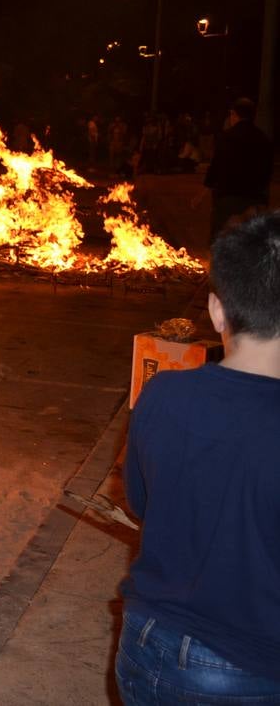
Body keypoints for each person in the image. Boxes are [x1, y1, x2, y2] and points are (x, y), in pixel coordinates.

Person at [116, 211, 280, 703]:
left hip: (143, 645)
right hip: (247, 666)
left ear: (216, 309)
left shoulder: (162, 394)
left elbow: (142, 503)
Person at [204, 97, 273, 241]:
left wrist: (207, 186)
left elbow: (216, 166)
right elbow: (267, 171)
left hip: (228, 198)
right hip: (255, 198)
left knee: (222, 238)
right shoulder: (263, 139)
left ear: (234, 114)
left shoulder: (227, 137)